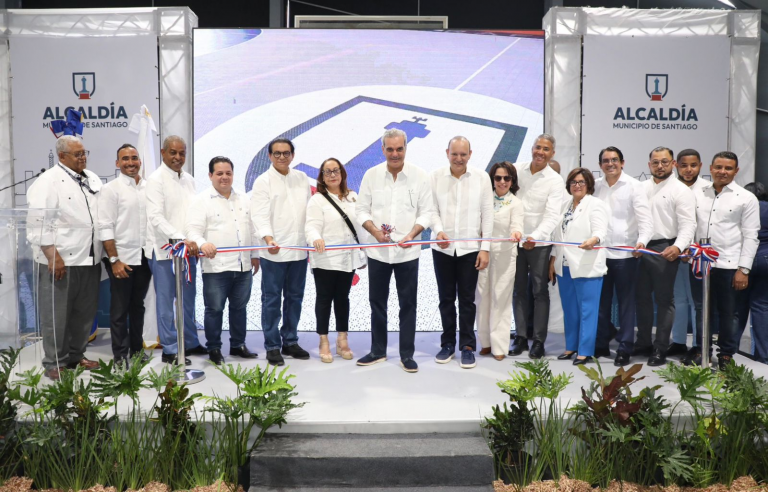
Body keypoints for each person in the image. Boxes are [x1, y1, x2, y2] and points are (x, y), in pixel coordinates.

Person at [356, 128, 435, 373]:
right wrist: (375, 232)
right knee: (377, 303)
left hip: (407, 252)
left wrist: (412, 234)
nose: (394, 153)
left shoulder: (420, 176)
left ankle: (406, 354)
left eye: (399, 148)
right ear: (382, 150)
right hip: (378, 252)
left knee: (408, 304)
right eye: (389, 149)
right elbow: (361, 211)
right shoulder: (371, 175)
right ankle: (378, 351)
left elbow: (427, 212)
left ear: (406, 148)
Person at [27, 135, 102, 379]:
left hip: (89, 258)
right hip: (61, 259)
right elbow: (37, 222)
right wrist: (52, 255)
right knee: (56, 316)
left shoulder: (92, 178)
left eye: (84, 152)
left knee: (84, 314)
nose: (83, 157)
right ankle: (53, 362)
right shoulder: (47, 182)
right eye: (77, 154)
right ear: (62, 157)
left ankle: (76, 355)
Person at [684, 152, 759, 370]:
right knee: (701, 309)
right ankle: (702, 350)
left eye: (728, 168)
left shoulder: (746, 198)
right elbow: (689, 224)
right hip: (699, 264)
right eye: (718, 167)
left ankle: (726, 354)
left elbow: (751, 235)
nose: (722, 172)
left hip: (729, 265)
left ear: (736, 171)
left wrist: (743, 269)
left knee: (729, 312)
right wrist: (688, 246)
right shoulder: (697, 194)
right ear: (710, 167)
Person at [186, 157, 260, 365]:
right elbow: (192, 230)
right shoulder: (201, 201)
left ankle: (238, 345)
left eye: (228, 173)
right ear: (210, 176)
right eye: (219, 173)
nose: (224, 177)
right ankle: (214, 348)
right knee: (214, 309)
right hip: (216, 267)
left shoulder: (244, 199)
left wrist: (254, 255)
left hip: (243, 265)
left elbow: (252, 230)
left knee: (239, 308)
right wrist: (202, 243)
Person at [430, 136, 493, 369]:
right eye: (454, 154)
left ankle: (467, 346)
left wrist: (485, 248)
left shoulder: (481, 178)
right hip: (442, 248)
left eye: (463, 154)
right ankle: (447, 344)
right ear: (447, 152)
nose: (458, 158)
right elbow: (431, 209)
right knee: (446, 299)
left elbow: (488, 214)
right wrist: (438, 231)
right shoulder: (435, 177)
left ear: (470, 154)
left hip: (470, 250)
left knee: (467, 300)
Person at [146, 135, 206, 365]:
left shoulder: (189, 179)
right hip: (165, 251)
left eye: (182, 153)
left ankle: (190, 342)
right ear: (163, 153)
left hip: (188, 252)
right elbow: (155, 217)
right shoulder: (156, 180)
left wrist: (195, 240)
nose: (178, 157)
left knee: (188, 300)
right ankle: (170, 348)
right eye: (173, 152)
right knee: (166, 302)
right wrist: (181, 238)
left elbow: (194, 215)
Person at [251, 138, 311, 366]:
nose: (282, 157)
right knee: (272, 300)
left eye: (286, 153)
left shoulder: (302, 178)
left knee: (295, 298)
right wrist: (268, 238)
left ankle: (290, 340)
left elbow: (308, 211)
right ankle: (273, 345)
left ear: (293, 155)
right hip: (273, 252)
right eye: (277, 153)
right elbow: (258, 215)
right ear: (269, 156)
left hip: (298, 251)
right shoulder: (262, 181)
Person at [635, 147, 696, 366]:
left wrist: (678, 247)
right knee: (641, 298)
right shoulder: (640, 187)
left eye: (664, 162)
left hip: (664, 248)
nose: (659, 166)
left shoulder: (681, 191)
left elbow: (689, 224)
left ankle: (660, 348)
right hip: (640, 248)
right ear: (649, 164)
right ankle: (643, 343)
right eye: (655, 162)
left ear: (673, 164)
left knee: (663, 300)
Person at [593, 146, 653, 367]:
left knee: (627, 303)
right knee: (601, 302)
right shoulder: (595, 186)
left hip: (626, 255)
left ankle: (625, 347)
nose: (611, 164)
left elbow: (646, 221)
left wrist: (642, 242)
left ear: (623, 162)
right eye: (606, 160)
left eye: (615, 160)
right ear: (600, 165)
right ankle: (601, 342)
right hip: (599, 254)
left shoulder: (634, 186)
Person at [305, 158, 366, 363]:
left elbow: (361, 227)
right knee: (324, 299)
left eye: (336, 170)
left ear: (343, 173)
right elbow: (311, 226)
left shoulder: (353, 198)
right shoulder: (317, 200)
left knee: (343, 299)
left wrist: (364, 252)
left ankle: (342, 340)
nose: (332, 175)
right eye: (327, 171)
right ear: (322, 176)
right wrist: (316, 238)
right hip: (325, 259)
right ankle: (323, 341)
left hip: (347, 259)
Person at [510, 134, 565, 358]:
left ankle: (539, 341)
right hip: (515, 241)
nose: (540, 152)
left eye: (546, 149)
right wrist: (520, 236)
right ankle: (521, 337)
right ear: (532, 148)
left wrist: (535, 237)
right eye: (537, 147)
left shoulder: (555, 180)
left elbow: (553, 216)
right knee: (518, 291)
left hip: (539, 244)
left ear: (552, 153)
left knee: (540, 292)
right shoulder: (516, 170)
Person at [98, 144, 152, 367]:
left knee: (137, 306)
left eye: (135, 158)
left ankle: (137, 349)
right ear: (117, 163)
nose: (131, 162)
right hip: (120, 259)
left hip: (145, 257)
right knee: (119, 310)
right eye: (125, 159)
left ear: (140, 161)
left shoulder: (149, 188)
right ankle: (120, 355)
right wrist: (114, 260)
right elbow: (105, 226)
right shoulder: (111, 190)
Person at [548, 168, 608, 365]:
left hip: (586, 265)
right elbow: (558, 237)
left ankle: (585, 351)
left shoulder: (596, 204)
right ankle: (571, 347)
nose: (577, 185)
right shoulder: (565, 205)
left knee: (587, 310)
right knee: (570, 310)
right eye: (574, 182)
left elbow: (601, 231)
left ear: (589, 184)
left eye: (581, 182)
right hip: (564, 265)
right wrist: (553, 259)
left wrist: (594, 239)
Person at [476, 162, 524, 360]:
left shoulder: (516, 203)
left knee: (501, 299)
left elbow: (518, 226)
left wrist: (516, 233)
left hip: (505, 255)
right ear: (492, 180)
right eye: (498, 178)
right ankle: (485, 342)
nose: (502, 182)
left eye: (507, 178)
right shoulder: (484, 200)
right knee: (481, 298)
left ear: (512, 180)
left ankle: (499, 347)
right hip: (483, 254)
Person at [669, 149, 711, 359]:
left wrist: (692, 247)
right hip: (674, 251)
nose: (688, 169)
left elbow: (705, 223)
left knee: (697, 301)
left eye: (693, 165)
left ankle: (697, 344)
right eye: (684, 165)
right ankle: (677, 341)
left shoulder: (708, 189)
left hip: (698, 253)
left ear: (700, 166)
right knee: (678, 298)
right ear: (676, 166)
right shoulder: (671, 187)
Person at [738, 182, 768, 363]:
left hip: (743, 262)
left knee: (738, 308)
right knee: (762, 307)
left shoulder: (742, 208)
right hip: (766, 260)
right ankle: (763, 356)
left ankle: (729, 351)